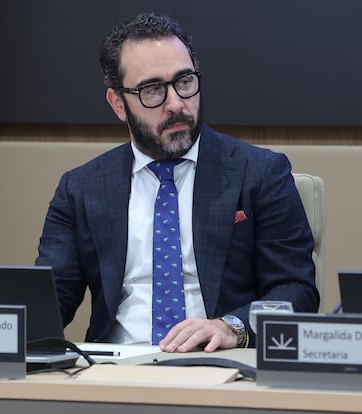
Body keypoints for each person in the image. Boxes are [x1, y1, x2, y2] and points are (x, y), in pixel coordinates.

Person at [35, 12, 319, 352]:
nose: (175, 103)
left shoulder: (260, 173)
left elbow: (296, 291)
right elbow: (50, 302)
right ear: (118, 104)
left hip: (222, 362)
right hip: (113, 370)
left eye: (184, 82)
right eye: (152, 90)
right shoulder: (81, 188)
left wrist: (233, 328)